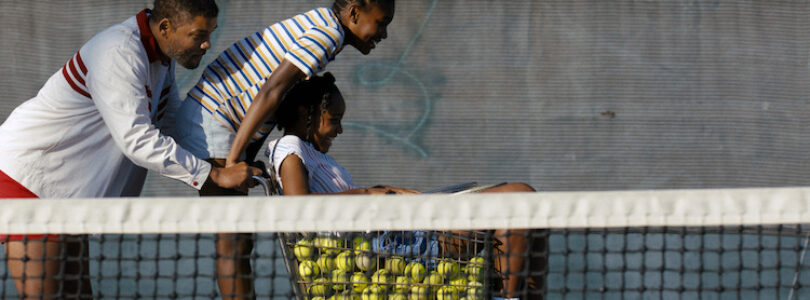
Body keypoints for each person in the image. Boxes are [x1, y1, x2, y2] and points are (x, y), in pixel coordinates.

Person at [0, 1, 262, 299]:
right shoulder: (119, 51)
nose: (206, 44)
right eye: (198, 34)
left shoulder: (160, 59)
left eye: (210, 33)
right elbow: (136, 139)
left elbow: (172, 124)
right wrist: (212, 174)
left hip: (66, 195)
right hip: (29, 181)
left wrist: (221, 162)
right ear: (165, 27)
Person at [171, 1, 395, 298]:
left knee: (240, 241)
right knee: (232, 240)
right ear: (354, 13)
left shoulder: (327, 30)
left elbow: (274, 99)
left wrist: (246, 156)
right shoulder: (326, 35)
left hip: (226, 126)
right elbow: (271, 91)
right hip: (214, 118)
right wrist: (234, 160)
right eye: (381, 23)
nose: (385, 33)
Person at [266, 73, 544, 299]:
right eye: (334, 120)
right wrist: (369, 193)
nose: (339, 130)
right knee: (518, 199)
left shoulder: (312, 153)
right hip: (390, 247)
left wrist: (383, 189)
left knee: (529, 207)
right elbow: (299, 209)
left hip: (398, 235)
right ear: (307, 114)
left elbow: (338, 199)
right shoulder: (289, 147)